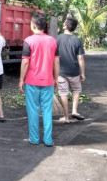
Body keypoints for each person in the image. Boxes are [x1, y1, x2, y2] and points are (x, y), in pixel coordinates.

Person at [18, 13, 59, 147]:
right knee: (47, 111)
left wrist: (21, 80)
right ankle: (48, 140)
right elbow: (56, 61)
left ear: (33, 26)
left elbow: (25, 63)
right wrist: (56, 79)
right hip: (48, 81)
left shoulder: (29, 41)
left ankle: (34, 138)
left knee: (33, 110)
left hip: (32, 81)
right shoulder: (53, 41)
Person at [56, 17, 86, 123]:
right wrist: (82, 73)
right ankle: (74, 111)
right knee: (76, 90)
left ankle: (66, 117)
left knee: (63, 93)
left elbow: (53, 56)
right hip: (74, 71)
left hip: (61, 72)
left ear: (65, 26)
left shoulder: (57, 39)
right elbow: (80, 58)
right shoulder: (77, 40)